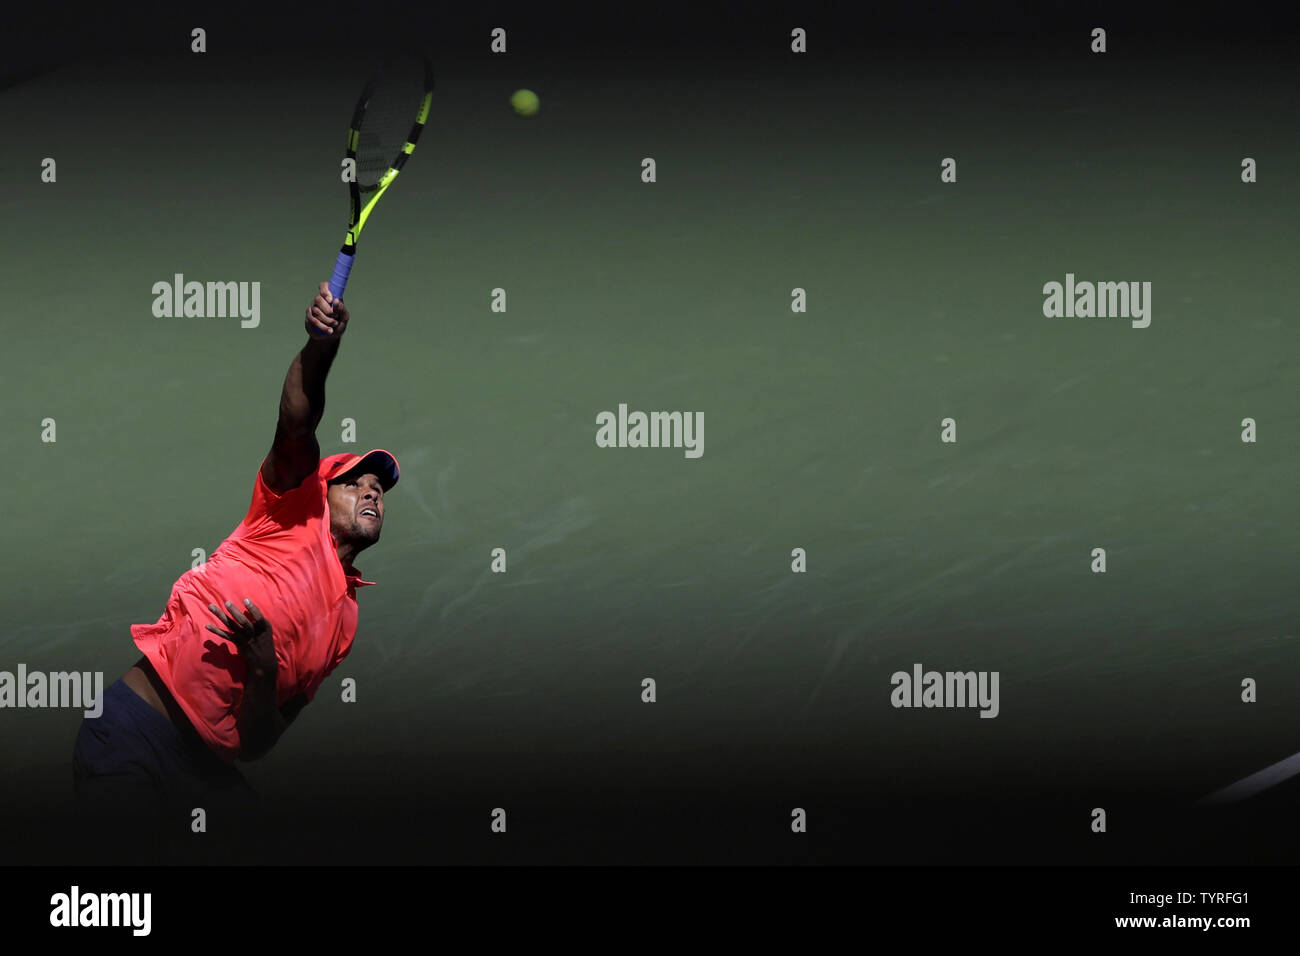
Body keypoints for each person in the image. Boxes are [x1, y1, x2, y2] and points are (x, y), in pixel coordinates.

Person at [72, 282, 400, 827]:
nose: (372, 492)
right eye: (355, 482)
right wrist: (320, 347)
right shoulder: (289, 510)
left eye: (380, 490)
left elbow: (257, 743)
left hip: (203, 770)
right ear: (322, 489)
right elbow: (297, 421)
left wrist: (265, 670)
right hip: (134, 729)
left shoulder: (345, 622)